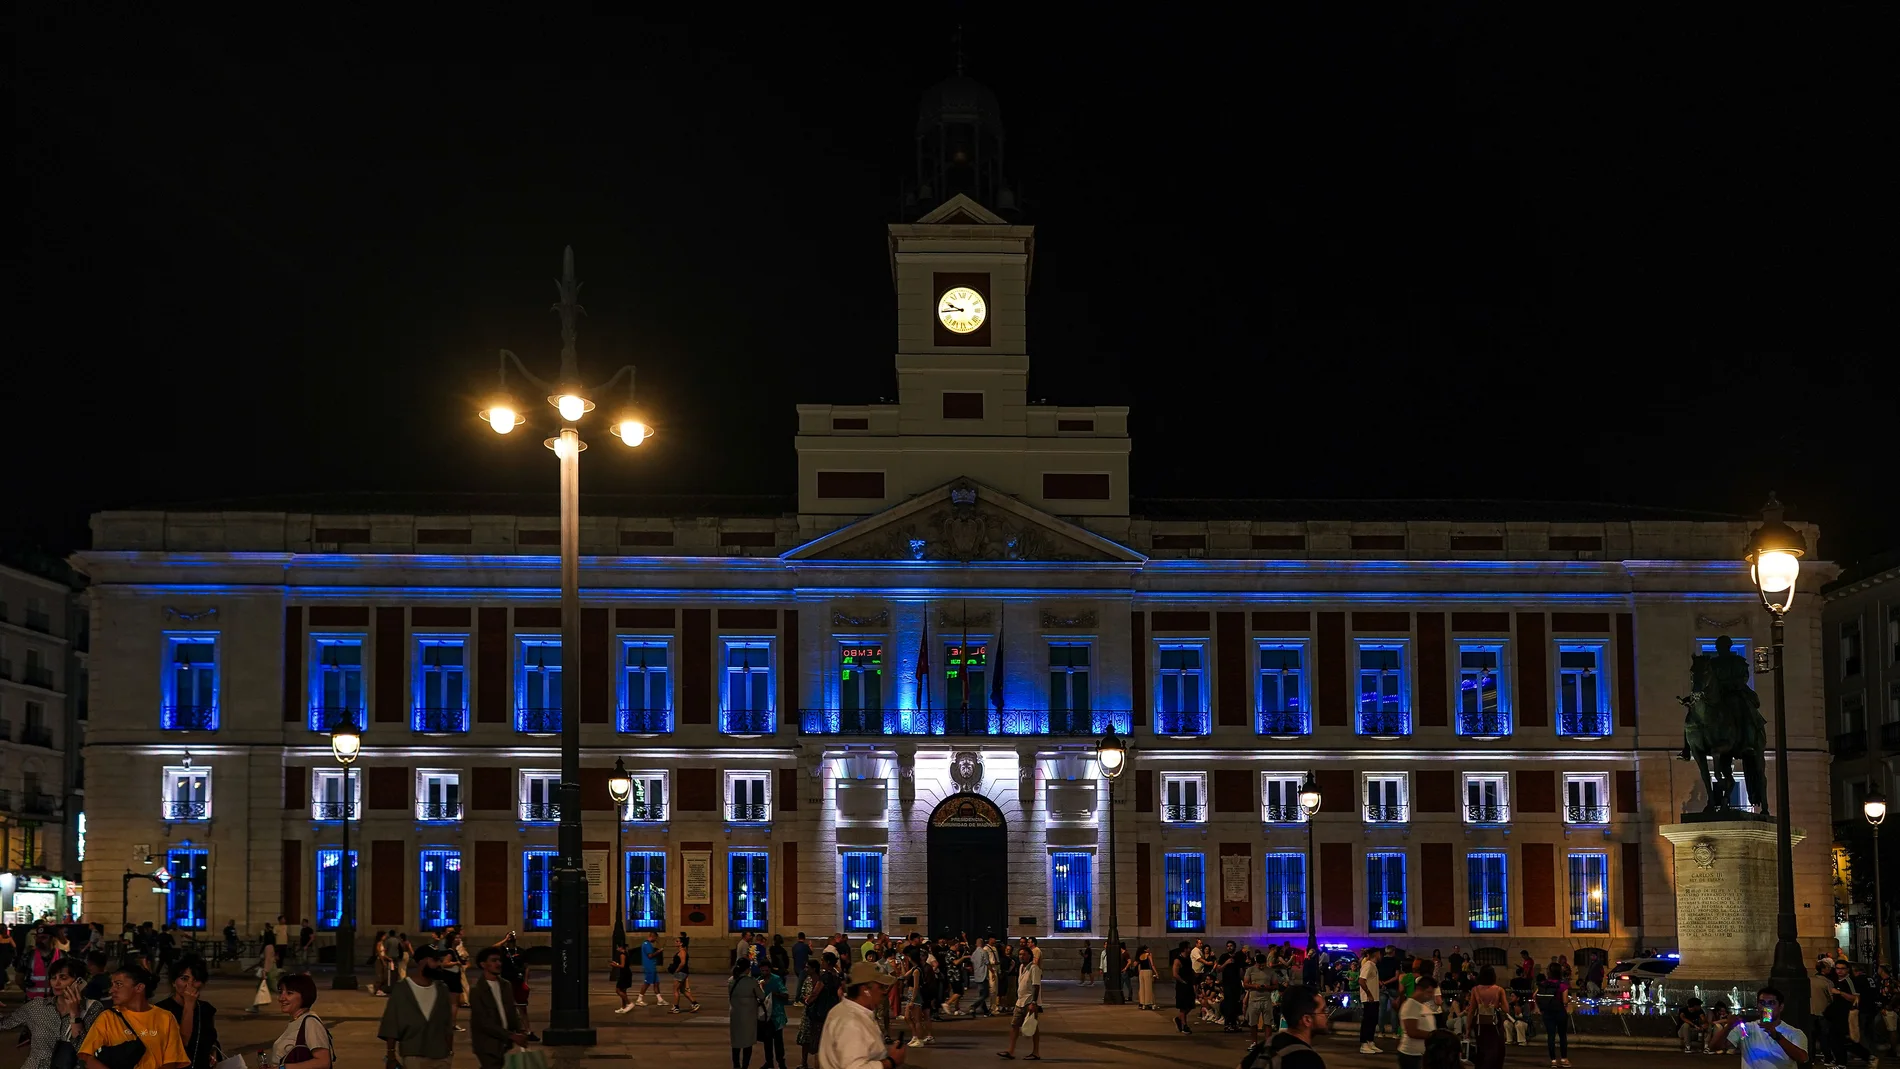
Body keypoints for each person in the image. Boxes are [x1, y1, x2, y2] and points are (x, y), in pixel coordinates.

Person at [76, 964, 190, 1069]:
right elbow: (87, 1058)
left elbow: (171, 1061)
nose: (111, 990)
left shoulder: (166, 1018)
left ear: (139, 988)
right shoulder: (107, 1018)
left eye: (119, 984)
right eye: (112, 984)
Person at [3, 958, 102, 1069]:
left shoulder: (92, 1008)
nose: (56, 983)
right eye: (53, 978)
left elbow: (84, 1051)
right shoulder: (38, 1006)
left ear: (79, 982)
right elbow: (4, 1024)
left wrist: (75, 1014)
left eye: (63, 978)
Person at [378, 943, 456, 1069]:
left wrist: (450, 1052)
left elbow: (447, 1023)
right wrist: (391, 1056)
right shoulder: (402, 989)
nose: (438, 965)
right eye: (435, 960)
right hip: (413, 1054)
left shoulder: (442, 989)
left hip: (441, 1055)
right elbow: (391, 1022)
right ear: (422, 961)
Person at [816, 961, 904, 1069]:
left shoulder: (843, 1010)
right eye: (880, 987)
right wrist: (891, 1061)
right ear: (865, 990)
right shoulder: (851, 1023)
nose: (884, 992)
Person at [468, 947, 527, 1069]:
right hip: (488, 1045)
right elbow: (483, 1022)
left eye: (499, 961)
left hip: (505, 1043)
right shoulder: (477, 990)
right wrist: (511, 1035)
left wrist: (520, 1030)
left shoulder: (505, 985)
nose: (498, 964)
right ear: (483, 964)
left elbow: (512, 1010)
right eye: (494, 961)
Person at [155, 957, 219, 1069]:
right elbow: (181, 1044)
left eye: (196, 980)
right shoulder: (161, 1010)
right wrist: (188, 1005)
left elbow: (210, 1038)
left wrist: (213, 1050)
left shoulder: (206, 1009)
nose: (189, 985)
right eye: (184, 979)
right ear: (174, 982)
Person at [1725, 987, 1809, 1069]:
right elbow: (1716, 1046)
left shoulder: (1793, 1032)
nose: (1766, 1007)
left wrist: (1776, 1035)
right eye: (1762, 1003)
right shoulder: (1746, 1028)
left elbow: (1803, 1058)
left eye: (1771, 1003)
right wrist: (1728, 1026)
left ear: (1781, 1007)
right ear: (1758, 1006)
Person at [261, 975, 332, 1069]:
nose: (281, 998)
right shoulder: (297, 1020)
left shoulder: (310, 1022)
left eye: (289, 993)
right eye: (281, 992)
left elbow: (323, 1062)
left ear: (304, 995)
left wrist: (283, 1068)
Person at [1464, 964, 1509, 1069]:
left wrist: (1467, 1029)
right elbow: (1506, 1009)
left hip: (1480, 1023)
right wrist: (1496, 1004)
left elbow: (1471, 1010)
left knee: (1482, 1048)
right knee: (1496, 1049)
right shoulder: (1499, 990)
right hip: (1495, 1023)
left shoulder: (1475, 990)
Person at [1398, 973, 1441, 1069]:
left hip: (1420, 1054)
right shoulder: (1410, 1005)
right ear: (1420, 990)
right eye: (1429, 992)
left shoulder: (1421, 1005)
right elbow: (1412, 1032)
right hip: (1411, 1055)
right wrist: (1435, 1035)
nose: (1431, 996)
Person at [1533, 963, 1571, 1068]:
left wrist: (1540, 1008)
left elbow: (1534, 996)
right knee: (1562, 1036)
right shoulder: (1563, 985)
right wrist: (1568, 1002)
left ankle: (1553, 1060)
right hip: (1560, 1012)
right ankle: (1564, 1059)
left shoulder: (1543, 983)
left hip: (1547, 1013)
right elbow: (1564, 1001)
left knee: (1551, 1036)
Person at [730, 960, 763, 1069]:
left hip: (735, 1013)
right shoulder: (751, 981)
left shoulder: (731, 981)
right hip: (749, 1015)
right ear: (747, 968)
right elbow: (762, 996)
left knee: (736, 1042)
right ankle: (745, 1066)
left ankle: (736, 1065)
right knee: (747, 1042)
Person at [759, 963, 790, 1069]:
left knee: (778, 1040)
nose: (764, 973)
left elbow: (785, 995)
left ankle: (781, 1061)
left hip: (776, 1014)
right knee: (767, 1040)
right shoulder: (759, 981)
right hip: (765, 1015)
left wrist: (774, 994)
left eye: (766, 971)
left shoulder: (776, 979)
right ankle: (769, 1061)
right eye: (762, 971)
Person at [1358, 946, 1384, 1055]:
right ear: (1376, 954)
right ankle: (1364, 1043)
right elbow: (1361, 980)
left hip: (1374, 998)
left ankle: (1370, 1041)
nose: (1381, 956)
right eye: (1379, 954)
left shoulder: (1373, 966)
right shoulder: (1368, 965)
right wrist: (1369, 993)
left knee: (1373, 1021)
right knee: (1368, 1021)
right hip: (1369, 998)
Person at [1172, 941, 1198, 1035]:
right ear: (1185, 949)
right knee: (1183, 1007)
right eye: (1188, 948)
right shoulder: (1178, 960)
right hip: (1182, 986)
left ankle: (1179, 1019)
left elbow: (1190, 970)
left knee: (1190, 1005)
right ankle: (1184, 1025)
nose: (1190, 949)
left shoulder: (1188, 959)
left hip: (1189, 984)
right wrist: (1183, 981)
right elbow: (1175, 974)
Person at [671, 935, 702, 1014]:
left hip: (680, 973)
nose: (675, 942)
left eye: (677, 941)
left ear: (681, 943)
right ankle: (695, 1003)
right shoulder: (682, 951)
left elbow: (683, 963)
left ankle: (676, 1007)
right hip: (683, 972)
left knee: (675, 990)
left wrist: (676, 970)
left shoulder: (682, 951)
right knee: (682, 990)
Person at [635, 932, 665, 1007]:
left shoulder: (646, 944)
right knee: (647, 983)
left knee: (656, 983)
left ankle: (660, 1000)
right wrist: (658, 951)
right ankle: (639, 999)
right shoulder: (647, 944)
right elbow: (650, 956)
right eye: (656, 938)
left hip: (652, 966)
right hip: (649, 966)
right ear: (653, 937)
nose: (656, 940)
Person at [612, 942, 635, 1014]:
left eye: (617, 947)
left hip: (624, 974)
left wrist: (615, 965)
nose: (617, 949)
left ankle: (629, 1003)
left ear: (621, 948)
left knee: (618, 990)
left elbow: (622, 966)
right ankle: (623, 1007)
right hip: (626, 973)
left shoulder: (622, 955)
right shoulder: (626, 953)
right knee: (623, 991)